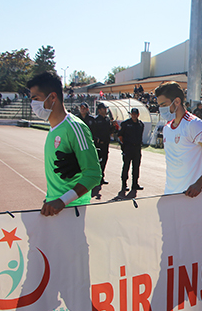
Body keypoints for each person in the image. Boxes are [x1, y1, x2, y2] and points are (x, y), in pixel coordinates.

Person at [27, 72, 101, 216]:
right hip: (54, 207)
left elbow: (93, 174)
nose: (33, 105)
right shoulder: (53, 129)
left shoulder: (75, 127)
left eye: (36, 99)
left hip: (72, 210)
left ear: (53, 97)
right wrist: (52, 198)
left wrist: (62, 201)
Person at [155, 81, 202, 196]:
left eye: (164, 104)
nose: (161, 109)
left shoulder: (194, 124)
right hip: (170, 193)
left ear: (177, 101)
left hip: (192, 196)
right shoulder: (167, 128)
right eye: (160, 105)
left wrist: (199, 184)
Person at [117, 108, 145, 192]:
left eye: (135, 114)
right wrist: (124, 146)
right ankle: (124, 184)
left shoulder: (140, 124)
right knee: (126, 166)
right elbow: (120, 135)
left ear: (138, 115)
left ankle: (135, 184)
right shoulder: (125, 124)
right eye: (132, 114)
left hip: (137, 149)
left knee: (136, 167)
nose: (134, 115)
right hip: (128, 148)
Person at [92, 102, 114, 185]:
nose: (105, 110)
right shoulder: (96, 120)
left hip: (106, 143)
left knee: (104, 160)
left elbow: (110, 131)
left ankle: (101, 177)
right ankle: (96, 177)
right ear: (99, 110)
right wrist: (97, 139)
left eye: (105, 109)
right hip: (98, 144)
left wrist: (113, 126)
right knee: (98, 161)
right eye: (103, 109)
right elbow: (93, 132)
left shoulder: (107, 119)